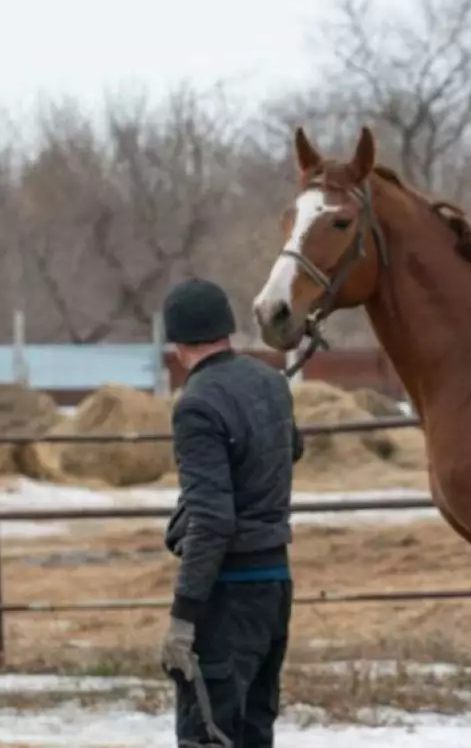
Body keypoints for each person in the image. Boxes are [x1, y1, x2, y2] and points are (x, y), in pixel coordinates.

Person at [159, 276, 304, 748]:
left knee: (209, 736)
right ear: (226, 329)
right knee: (254, 733)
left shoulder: (196, 405)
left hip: (227, 595)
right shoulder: (271, 383)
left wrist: (183, 617)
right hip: (275, 587)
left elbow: (212, 519)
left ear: (177, 343)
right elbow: (292, 448)